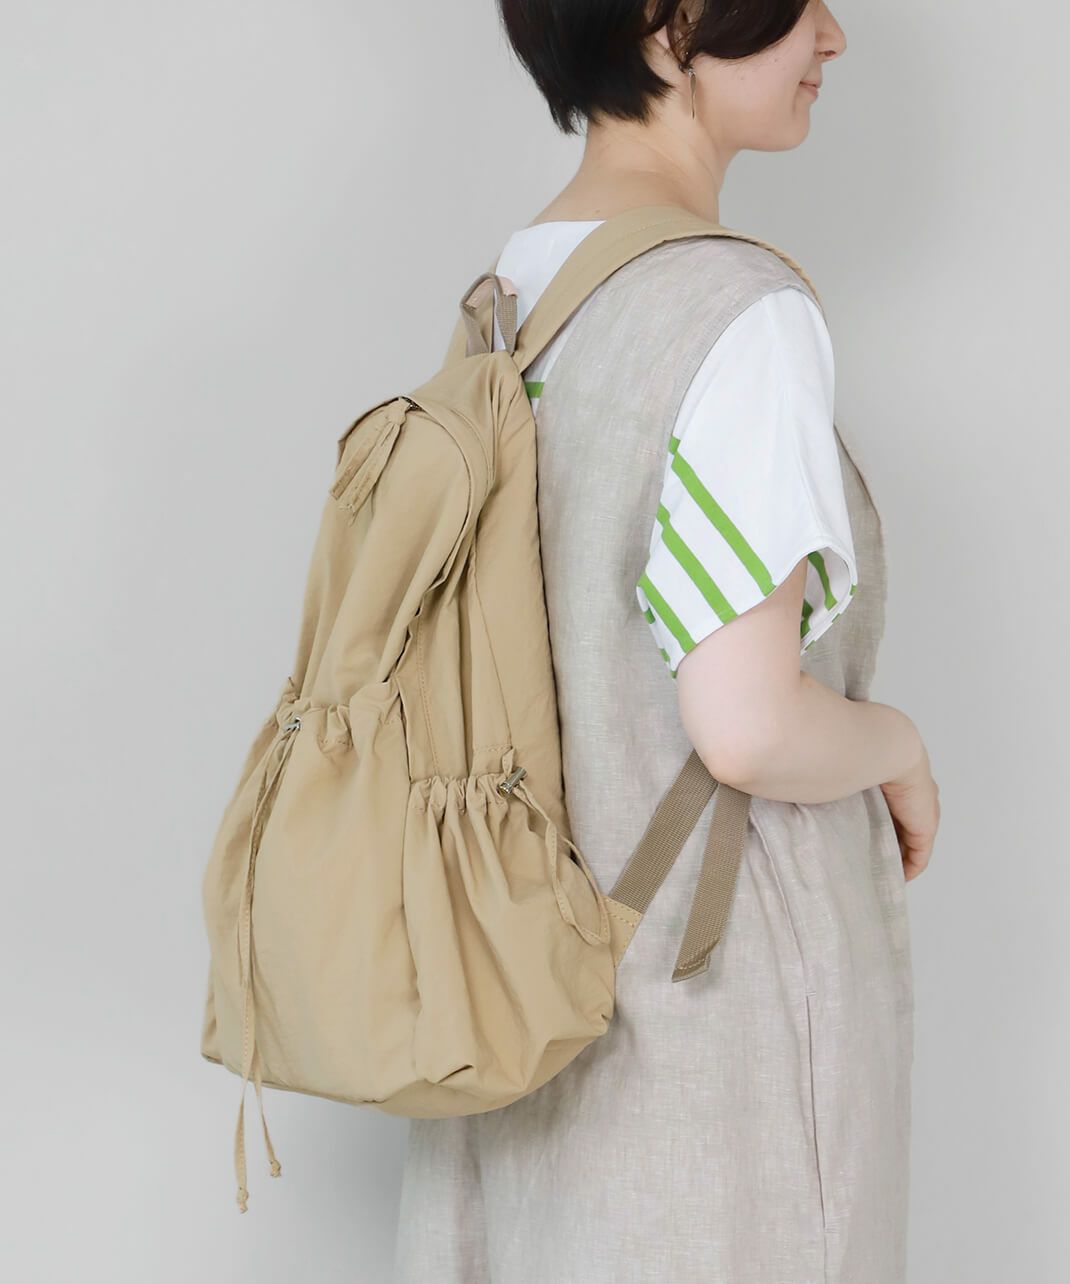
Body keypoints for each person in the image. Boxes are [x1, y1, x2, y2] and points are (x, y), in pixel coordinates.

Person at [393, 2, 940, 1281]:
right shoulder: (735, 316)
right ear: (665, 23)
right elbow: (747, 727)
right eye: (794, 2)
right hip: (706, 1020)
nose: (831, 35)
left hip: (511, 993)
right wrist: (898, 747)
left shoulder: (512, 294)